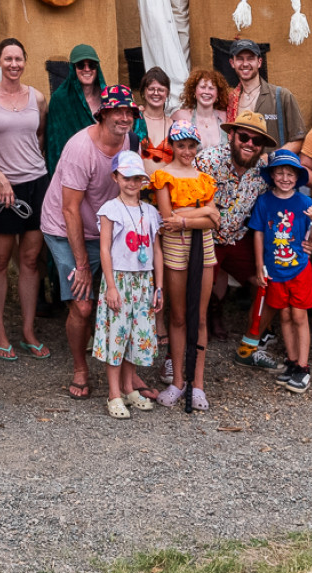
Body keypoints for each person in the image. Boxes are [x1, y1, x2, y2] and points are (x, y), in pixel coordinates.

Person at [41, 86, 133, 399]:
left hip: (102, 225)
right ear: (103, 113)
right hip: (65, 227)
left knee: (115, 295)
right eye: (118, 111)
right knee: (81, 305)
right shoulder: (81, 149)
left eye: (129, 112)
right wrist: (82, 264)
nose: (124, 117)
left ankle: (119, 365)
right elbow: (70, 209)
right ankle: (80, 368)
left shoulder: (126, 140)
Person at [0, 39, 51, 361]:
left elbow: (40, 135)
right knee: (1, 260)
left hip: (35, 184)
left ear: (24, 61)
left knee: (31, 260)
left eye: (19, 58)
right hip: (0, 188)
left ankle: (29, 330)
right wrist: (1, 177)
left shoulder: (38, 98)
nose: (14, 64)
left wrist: (32, 167)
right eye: (8, 58)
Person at [93, 151, 165, 419]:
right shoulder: (110, 210)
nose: (132, 183)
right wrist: (111, 286)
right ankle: (113, 393)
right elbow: (105, 250)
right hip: (120, 280)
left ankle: (128, 386)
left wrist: (159, 286)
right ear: (116, 177)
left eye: (137, 178)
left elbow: (156, 251)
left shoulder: (150, 211)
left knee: (137, 336)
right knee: (118, 336)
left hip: (144, 281)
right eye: (126, 177)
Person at [151, 125, 219, 407]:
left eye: (192, 146)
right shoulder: (163, 175)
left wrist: (186, 219)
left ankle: (198, 383)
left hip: (202, 245)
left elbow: (214, 218)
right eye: (181, 146)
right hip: (175, 246)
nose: (187, 152)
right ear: (173, 146)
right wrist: (201, 211)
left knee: (199, 316)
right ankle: (178, 380)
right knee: (177, 315)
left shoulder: (205, 178)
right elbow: (167, 218)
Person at [202, 110, 274, 361]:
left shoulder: (264, 169)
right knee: (196, 292)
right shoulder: (207, 161)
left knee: (267, 282)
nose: (250, 144)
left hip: (238, 237)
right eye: (244, 137)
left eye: (257, 141)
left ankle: (250, 343)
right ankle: (182, 353)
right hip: (206, 238)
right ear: (231, 136)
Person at [249, 147, 312, 392]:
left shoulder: (305, 201)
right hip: (274, 269)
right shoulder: (264, 201)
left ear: (297, 177)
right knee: (285, 315)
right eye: (279, 173)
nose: (285, 178)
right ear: (272, 176)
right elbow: (258, 232)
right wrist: (259, 265)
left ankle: (303, 367)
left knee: (299, 316)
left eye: (290, 174)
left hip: (298, 267)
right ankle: (291, 360)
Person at [229, 38, 306, 151]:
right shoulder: (230, 99)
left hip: (272, 167)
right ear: (232, 63)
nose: (245, 64)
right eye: (240, 59)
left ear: (259, 62)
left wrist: (270, 159)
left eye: (250, 58)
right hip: (240, 167)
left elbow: (298, 140)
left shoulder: (281, 96)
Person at [46, 44, 106, 167]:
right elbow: (55, 146)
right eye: (80, 65)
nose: (87, 69)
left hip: (104, 167)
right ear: (73, 68)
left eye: (92, 65)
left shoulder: (108, 98)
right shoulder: (60, 99)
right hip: (75, 168)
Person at [177, 66, 228, 150]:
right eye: (203, 87)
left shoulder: (225, 117)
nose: (206, 92)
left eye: (211, 88)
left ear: (218, 94)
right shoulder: (181, 116)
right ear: (194, 91)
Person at [134, 68, 175, 164]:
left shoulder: (174, 126)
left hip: (166, 178)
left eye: (161, 90)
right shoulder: (135, 120)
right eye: (151, 89)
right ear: (144, 91)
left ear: (167, 93)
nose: (156, 93)